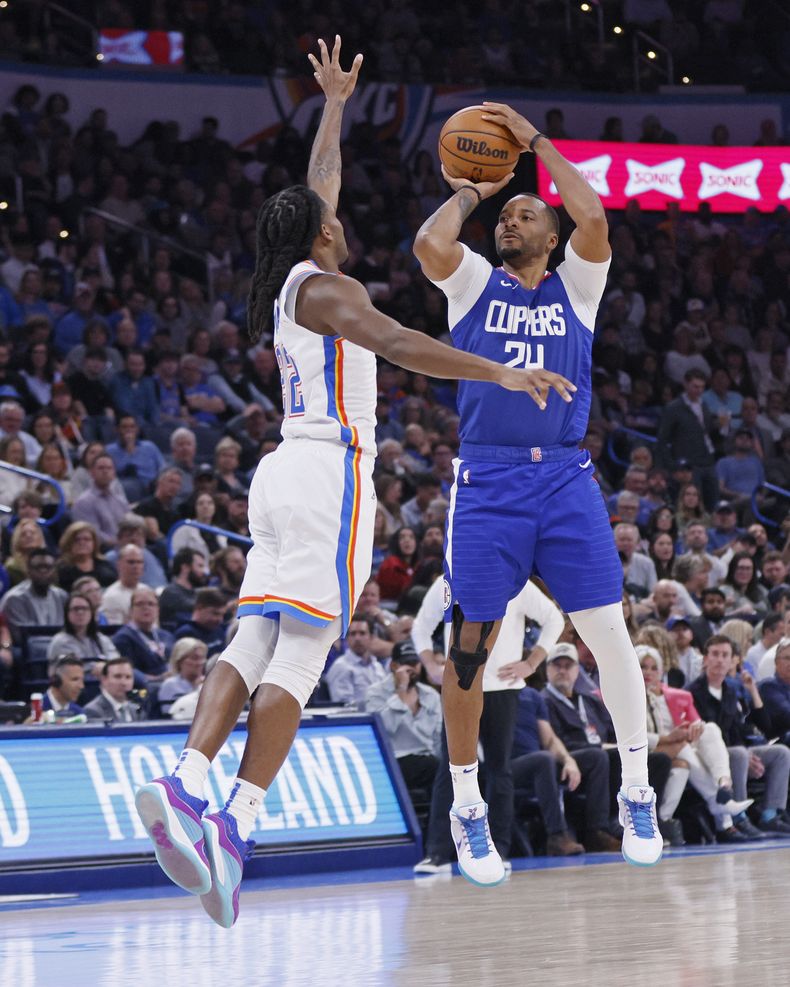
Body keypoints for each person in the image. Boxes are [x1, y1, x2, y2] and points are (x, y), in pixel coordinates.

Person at [133, 39, 570, 928]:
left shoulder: (300, 275)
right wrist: (499, 369)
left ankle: (190, 782)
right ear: (322, 234)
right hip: (329, 473)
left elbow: (318, 183)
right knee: (300, 653)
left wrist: (333, 104)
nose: (339, 217)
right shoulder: (331, 294)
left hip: (285, 471)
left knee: (256, 634)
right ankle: (233, 819)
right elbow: (402, 344)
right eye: (330, 218)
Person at [413, 99, 663, 882]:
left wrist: (536, 145)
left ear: (552, 238)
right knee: (469, 648)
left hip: (563, 475)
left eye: (526, 214)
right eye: (507, 216)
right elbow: (428, 244)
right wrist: (473, 189)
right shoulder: (473, 284)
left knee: (610, 633)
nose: (511, 222)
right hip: (487, 478)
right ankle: (466, 806)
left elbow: (593, 214)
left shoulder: (577, 288)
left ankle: (636, 789)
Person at [412, 575, 564, 872]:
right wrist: (430, 664)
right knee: (449, 769)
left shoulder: (516, 582)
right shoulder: (449, 580)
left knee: (499, 769)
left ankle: (499, 849)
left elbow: (554, 619)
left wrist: (531, 663)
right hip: (460, 688)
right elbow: (421, 626)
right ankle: (438, 853)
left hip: (502, 688)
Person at [637, 645, 756, 845]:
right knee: (683, 747)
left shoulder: (675, 696)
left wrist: (693, 729)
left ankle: (723, 783)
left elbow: (696, 722)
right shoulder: (629, 696)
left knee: (709, 730)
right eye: (643, 667)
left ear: (661, 671)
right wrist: (669, 737)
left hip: (677, 746)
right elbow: (632, 736)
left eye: (653, 668)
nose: (648, 672)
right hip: (647, 748)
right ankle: (722, 812)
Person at [689, 635, 790, 836]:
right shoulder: (692, 692)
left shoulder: (732, 690)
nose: (720, 660)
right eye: (715, 654)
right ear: (705, 659)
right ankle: (739, 817)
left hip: (737, 750)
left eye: (725, 655)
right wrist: (746, 755)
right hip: (707, 755)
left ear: (732, 661)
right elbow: (703, 739)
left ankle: (770, 815)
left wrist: (752, 690)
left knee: (780, 753)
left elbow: (751, 728)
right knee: (739, 754)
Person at [363, 639, 443, 807]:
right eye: (406, 664)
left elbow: (438, 737)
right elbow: (382, 730)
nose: (412, 669)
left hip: (427, 758)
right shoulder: (375, 693)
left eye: (415, 663)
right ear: (393, 666)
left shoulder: (430, 695)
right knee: (434, 767)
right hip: (392, 760)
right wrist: (400, 693)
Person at [0, 548, 68, 641]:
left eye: (48, 567)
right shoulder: (15, 598)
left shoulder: (62, 596)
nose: (43, 572)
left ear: (54, 571)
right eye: (38, 567)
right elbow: (21, 637)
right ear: (28, 570)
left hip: (61, 646)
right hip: (28, 648)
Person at [111, 586, 174, 683]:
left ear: (158, 610)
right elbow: (128, 671)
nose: (146, 608)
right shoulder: (123, 638)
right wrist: (158, 679)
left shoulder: (167, 636)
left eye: (151, 604)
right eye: (140, 604)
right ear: (131, 610)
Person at [324, 614, 386, 705]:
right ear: (347, 638)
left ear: (372, 637)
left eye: (362, 633)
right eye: (353, 634)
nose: (357, 638)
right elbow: (343, 705)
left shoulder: (377, 666)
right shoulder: (340, 666)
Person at [47, 591, 120, 666]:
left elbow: (115, 661)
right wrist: (100, 667)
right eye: (76, 609)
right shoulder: (60, 642)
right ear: (67, 613)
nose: (80, 612)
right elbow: (72, 668)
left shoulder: (101, 639)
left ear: (91, 613)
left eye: (85, 608)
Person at [158, 547, 209, 631]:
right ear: (185, 567)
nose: (204, 572)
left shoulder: (196, 593)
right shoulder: (171, 592)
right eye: (200, 566)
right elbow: (192, 607)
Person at [100, 544, 149, 624]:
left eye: (139, 562)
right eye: (131, 562)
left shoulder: (147, 591)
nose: (136, 566)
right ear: (119, 565)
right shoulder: (111, 597)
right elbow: (115, 629)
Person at [158, 638, 208, 716]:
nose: (200, 663)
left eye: (202, 658)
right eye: (194, 658)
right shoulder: (170, 685)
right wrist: (196, 691)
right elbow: (170, 715)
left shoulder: (208, 683)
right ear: (179, 661)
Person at [83, 658, 144, 722]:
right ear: (104, 679)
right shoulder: (93, 710)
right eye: (118, 676)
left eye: (128, 677)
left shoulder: (136, 710)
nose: (124, 683)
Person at [758, 638, 790, 744]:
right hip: (777, 741)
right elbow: (786, 715)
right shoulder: (768, 686)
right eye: (787, 658)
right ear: (776, 662)